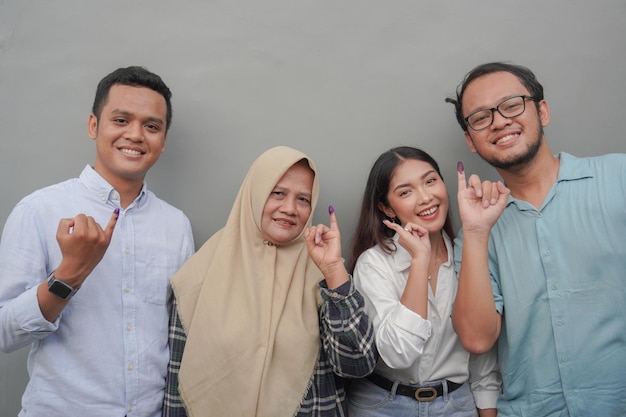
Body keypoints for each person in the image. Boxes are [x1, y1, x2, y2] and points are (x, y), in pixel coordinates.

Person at [0, 66, 195, 417]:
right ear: (94, 126)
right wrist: (69, 274)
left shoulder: (176, 225)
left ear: (163, 141)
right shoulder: (38, 211)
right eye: (121, 120)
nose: (135, 135)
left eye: (151, 126)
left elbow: (179, 333)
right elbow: (3, 334)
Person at [446, 62, 626, 416]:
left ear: (541, 111)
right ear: (470, 140)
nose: (499, 121)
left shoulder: (618, 178)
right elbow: (477, 339)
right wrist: (478, 232)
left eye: (512, 105)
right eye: (481, 118)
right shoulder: (476, 229)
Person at [162, 146, 377, 417]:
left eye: (303, 199)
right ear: (255, 193)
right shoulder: (203, 270)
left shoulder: (320, 270)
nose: (290, 209)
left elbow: (358, 365)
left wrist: (334, 271)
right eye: (277, 193)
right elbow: (177, 383)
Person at [346, 146, 502, 417]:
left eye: (431, 181)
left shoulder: (469, 256)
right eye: (405, 192)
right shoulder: (374, 264)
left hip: (456, 404)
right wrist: (419, 261)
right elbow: (398, 353)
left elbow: (483, 360)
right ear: (386, 208)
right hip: (381, 405)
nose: (425, 197)